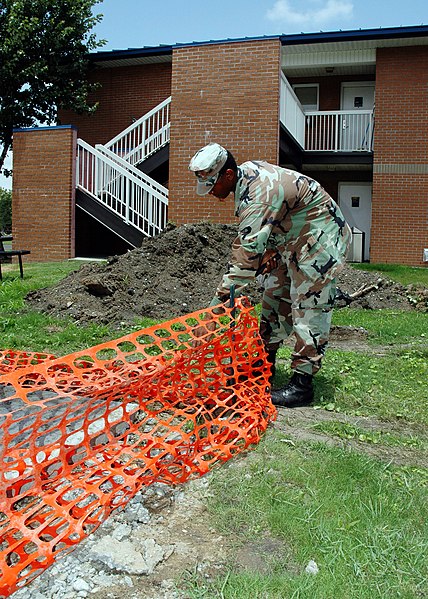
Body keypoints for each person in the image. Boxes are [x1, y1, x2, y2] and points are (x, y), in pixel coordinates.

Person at [188, 143, 351, 408]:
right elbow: (262, 236)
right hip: (290, 238)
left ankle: (302, 386)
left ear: (228, 175)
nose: (210, 193)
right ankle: (264, 366)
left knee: (308, 306)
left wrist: (216, 309)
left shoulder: (258, 195)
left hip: (319, 238)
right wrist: (268, 251)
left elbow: (245, 259)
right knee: (274, 295)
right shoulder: (245, 179)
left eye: (212, 186)